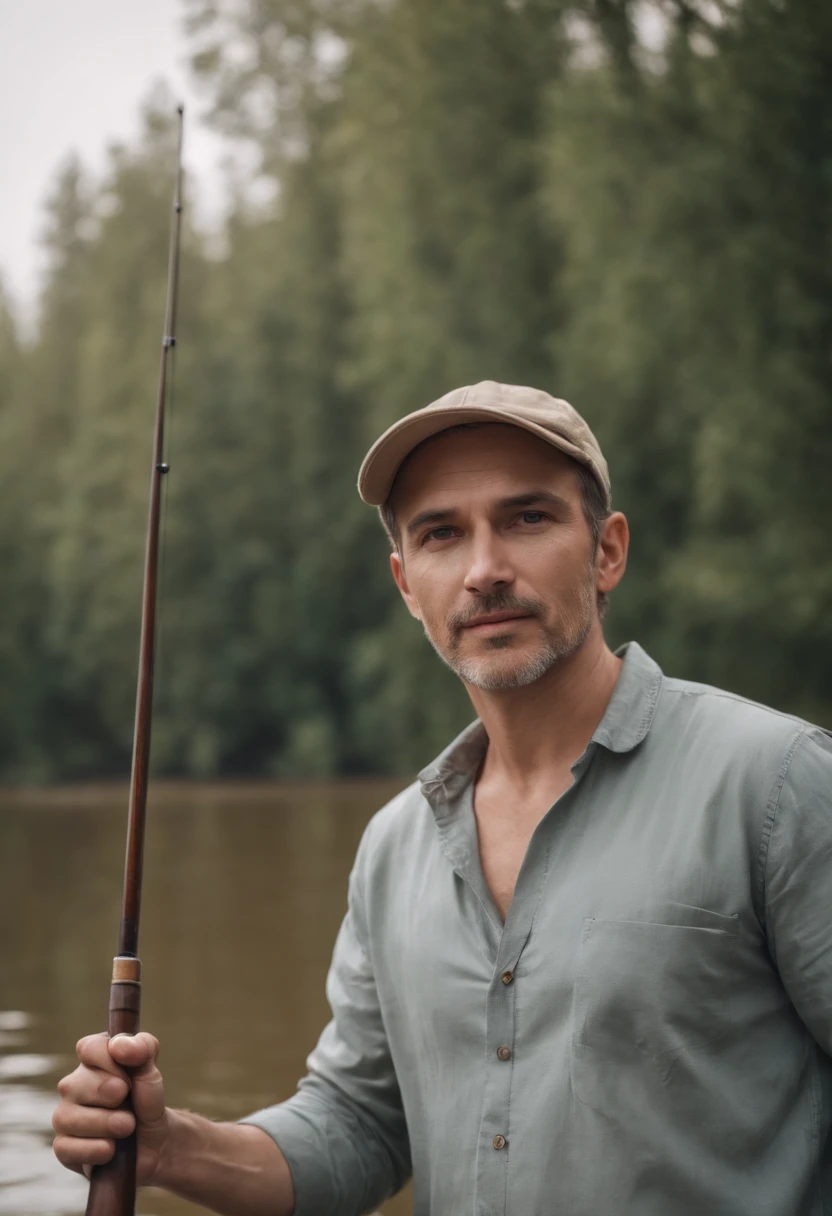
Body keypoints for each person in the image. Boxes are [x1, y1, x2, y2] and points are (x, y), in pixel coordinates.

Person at [53, 381, 832, 1215]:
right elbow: (357, 1129)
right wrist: (171, 1145)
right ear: (404, 582)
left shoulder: (777, 783)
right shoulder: (395, 847)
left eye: (527, 518)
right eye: (441, 534)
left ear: (607, 551)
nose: (485, 569)